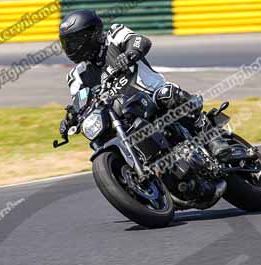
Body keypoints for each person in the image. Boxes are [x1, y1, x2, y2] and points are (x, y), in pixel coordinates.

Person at [57, 9, 229, 157]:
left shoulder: (114, 35)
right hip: (124, 114)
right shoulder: (76, 75)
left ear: (91, 34)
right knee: (100, 136)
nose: (71, 48)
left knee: (166, 95)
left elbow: (139, 41)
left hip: (151, 96)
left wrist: (130, 54)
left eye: (74, 42)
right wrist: (72, 117)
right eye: (67, 44)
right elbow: (80, 101)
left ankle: (211, 135)